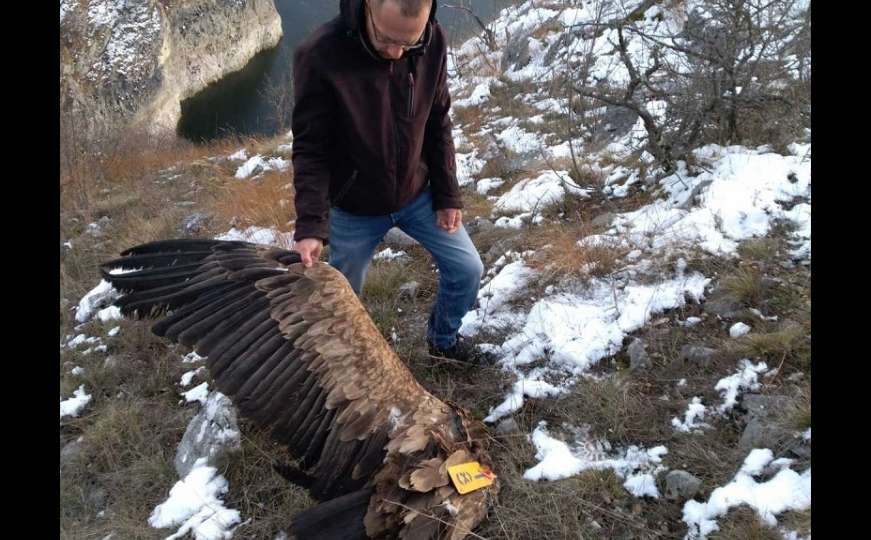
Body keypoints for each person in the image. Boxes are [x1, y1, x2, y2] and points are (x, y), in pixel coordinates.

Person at [290, 0, 488, 364]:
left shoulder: (432, 40)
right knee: (340, 298)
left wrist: (447, 194)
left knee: (468, 269)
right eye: (386, 39)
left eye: (408, 44)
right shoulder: (320, 55)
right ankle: (344, 368)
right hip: (354, 207)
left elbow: (437, 120)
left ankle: (442, 343)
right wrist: (311, 225)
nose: (397, 53)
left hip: (417, 193)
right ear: (367, 6)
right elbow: (311, 148)